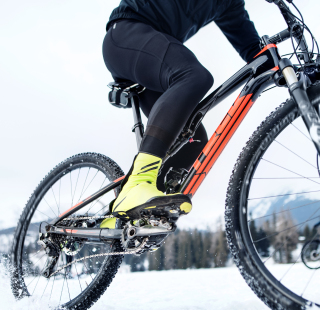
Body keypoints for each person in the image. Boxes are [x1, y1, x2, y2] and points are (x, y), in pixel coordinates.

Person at [101, 0, 262, 227]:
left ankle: (132, 215)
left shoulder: (229, 5)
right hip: (127, 33)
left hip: (153, 59)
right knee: (194, 76)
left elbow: (254, 52)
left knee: (193, 140)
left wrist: (295, 72)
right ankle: (138, 182)